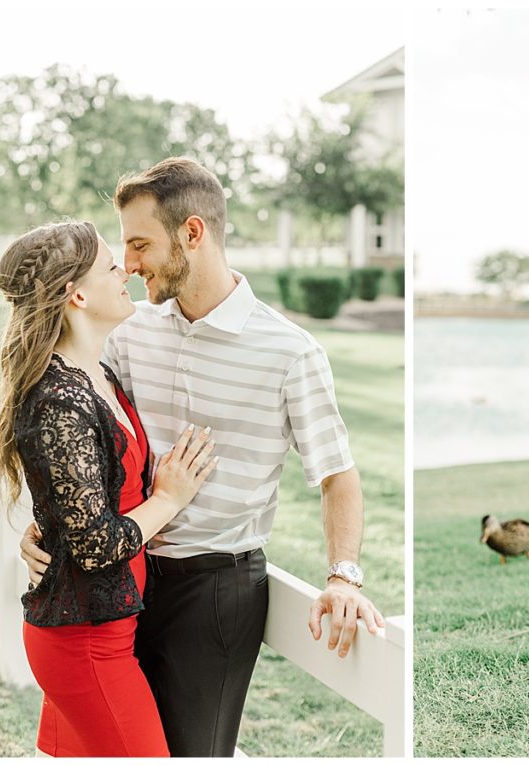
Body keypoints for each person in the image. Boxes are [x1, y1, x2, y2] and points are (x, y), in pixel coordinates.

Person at [20, 157, 386, 757]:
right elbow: (89, 447)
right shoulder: (130, 332)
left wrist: (343, 574)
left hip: (214, 591)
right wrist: (51, 525)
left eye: (139, 244)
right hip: (120, 580)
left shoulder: (290, 353)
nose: (129, 263)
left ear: (193, 233)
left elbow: (337, 476)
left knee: (192, 753)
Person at [0, 221, 219, 756]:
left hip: (106, 627)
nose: (126, 271)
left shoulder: (97, 374)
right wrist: (169, 498)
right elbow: (94, 546)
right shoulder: (59, 400)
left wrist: (49, 527)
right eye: (109, 267)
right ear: (77, 294)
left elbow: (80, 497)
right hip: (85, 642)